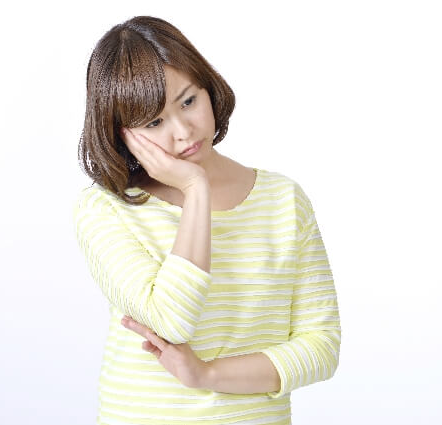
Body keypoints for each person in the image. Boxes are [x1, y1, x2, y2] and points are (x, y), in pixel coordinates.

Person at [73, 15, 341, 425]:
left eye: (188, 101)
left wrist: (208, 375)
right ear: (122, 133)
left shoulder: (284, 200)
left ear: (207, 87)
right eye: (154, 122)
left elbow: (321, 347)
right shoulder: (105, 210)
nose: (183, 131)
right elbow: (171, 320)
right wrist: (196, 190)